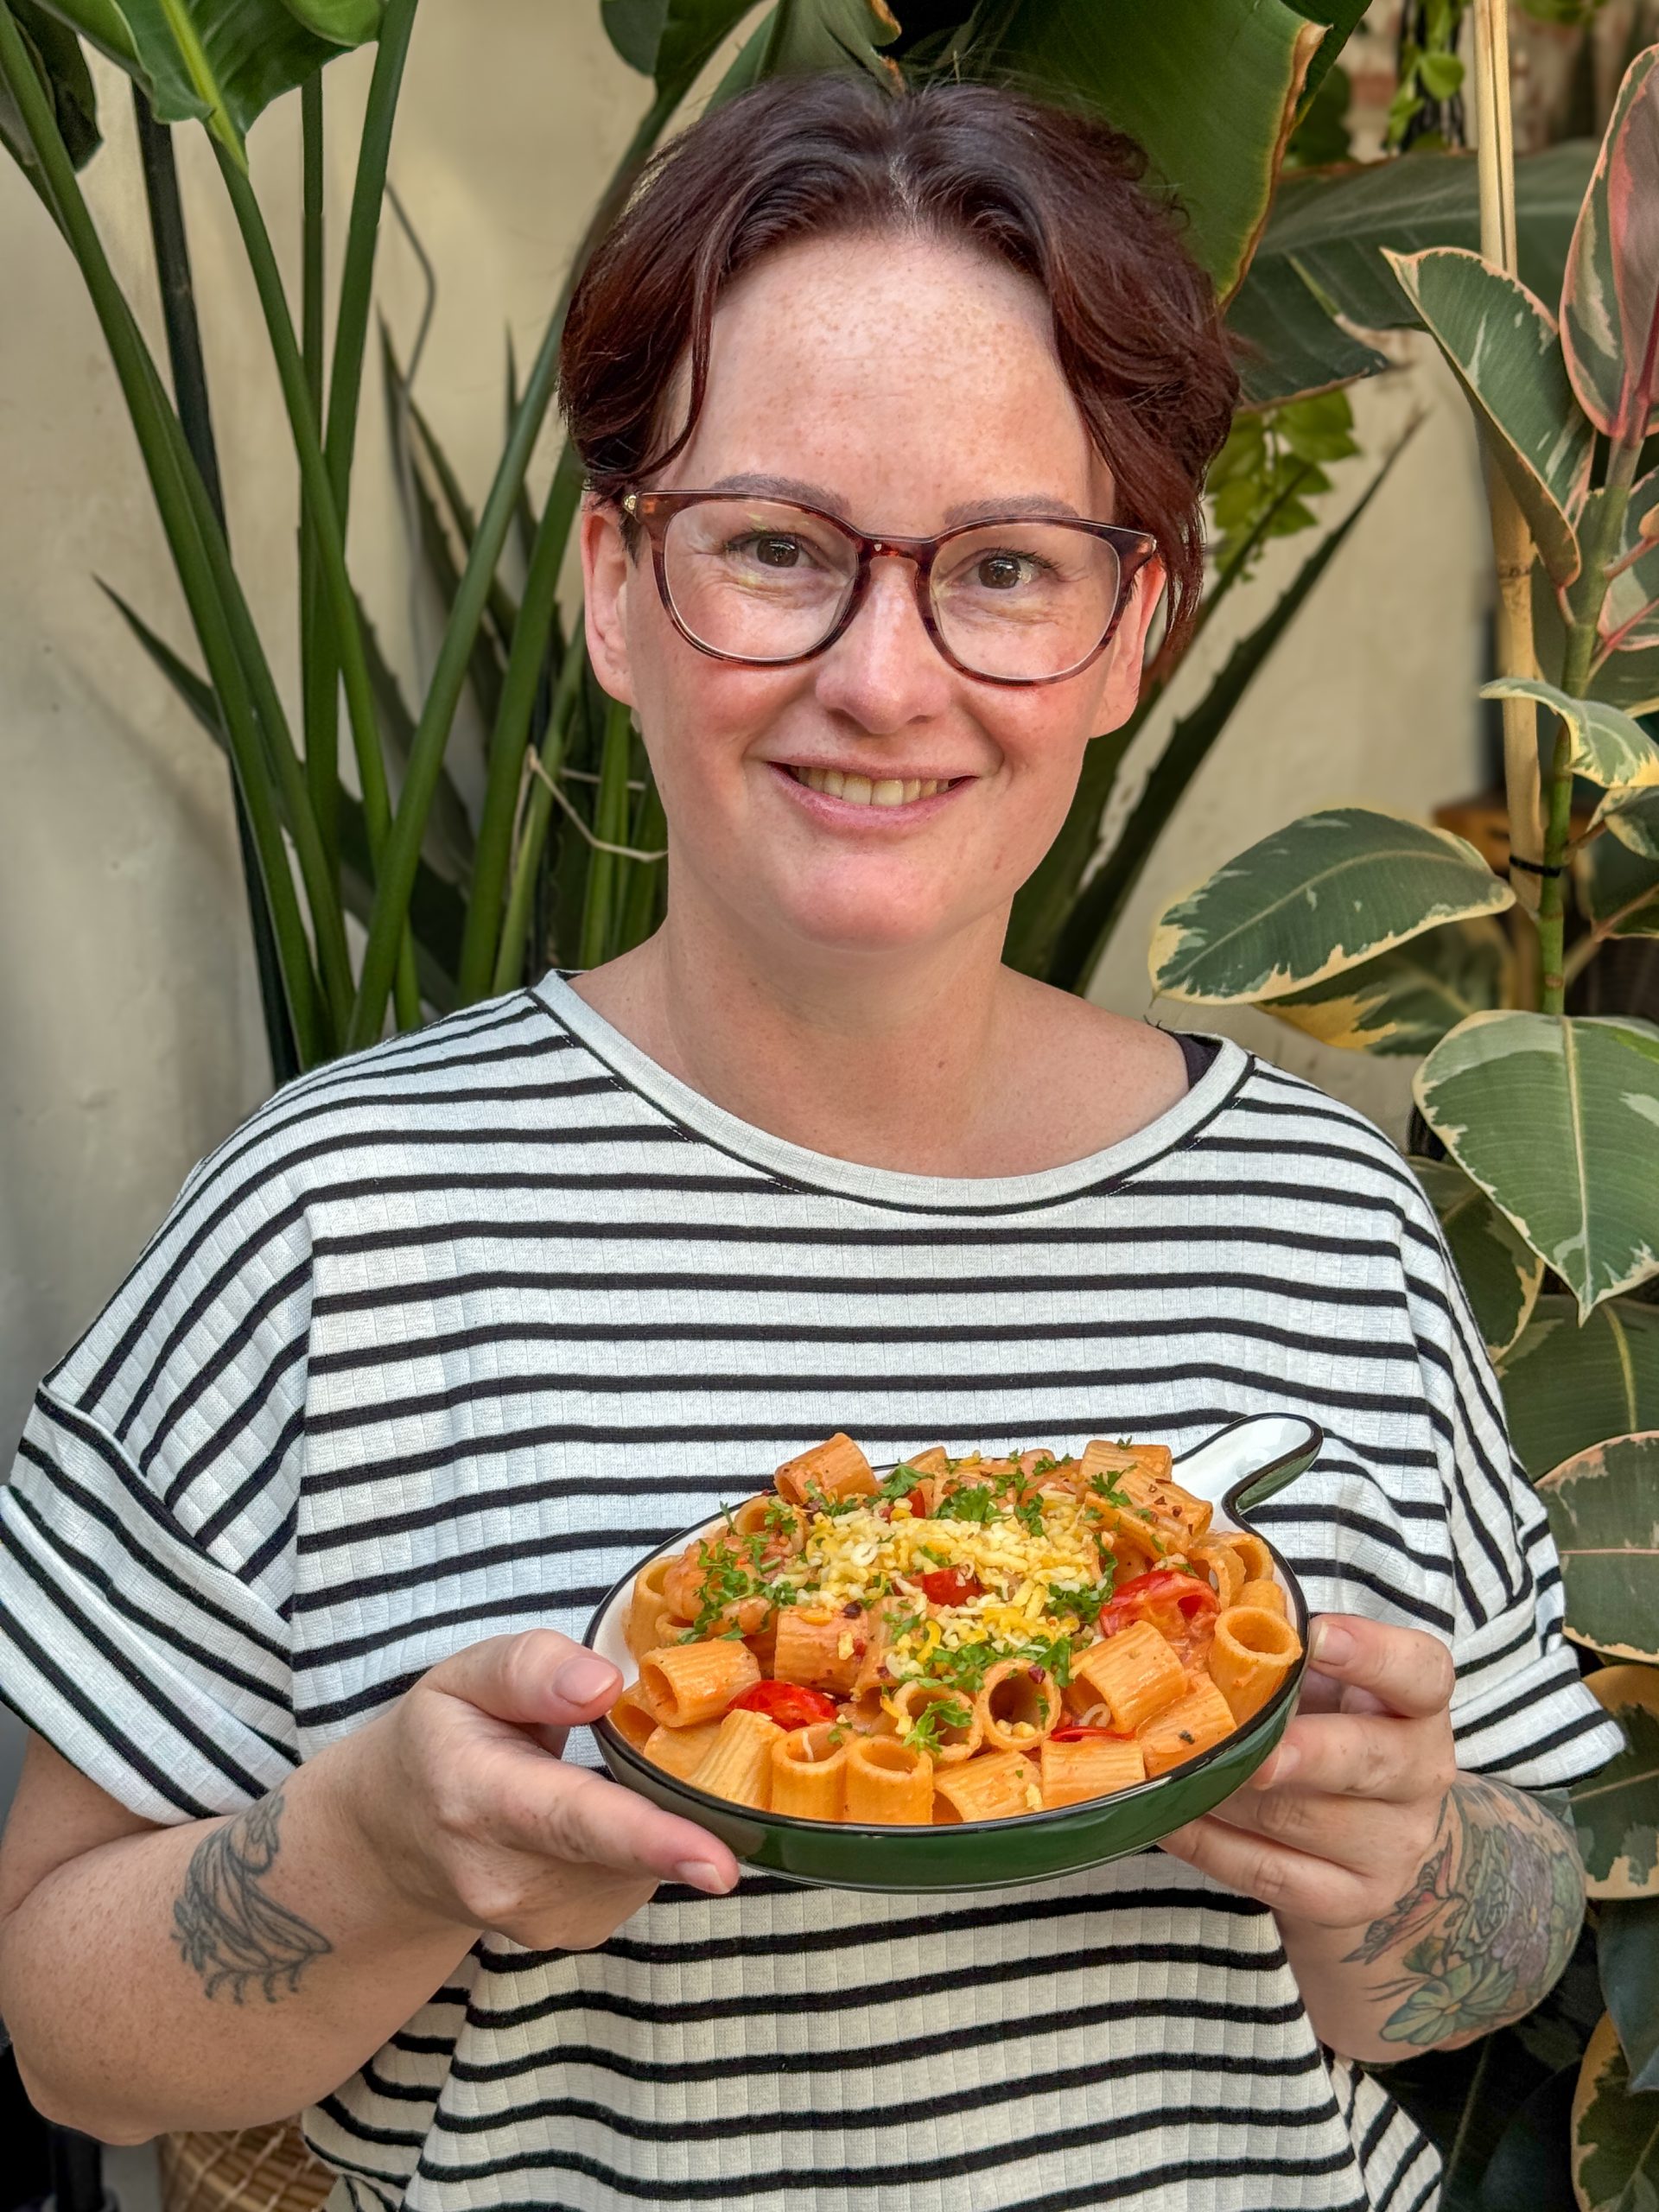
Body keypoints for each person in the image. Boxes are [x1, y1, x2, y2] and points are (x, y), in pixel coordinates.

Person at [0, 73, 1619, 2212]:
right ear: (610, 584)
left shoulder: (1321, 1213)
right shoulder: (336, 1222)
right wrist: (373, 1855)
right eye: (775, 547)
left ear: (1129, 629)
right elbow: (61, 2017)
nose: (884, 675)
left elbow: (1491, 1961)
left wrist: (1409, 1871)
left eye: (1006, 568)